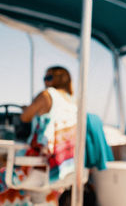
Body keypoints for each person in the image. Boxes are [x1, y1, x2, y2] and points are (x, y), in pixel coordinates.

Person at [0, 66, 77, 204]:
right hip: (61, 166)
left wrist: (28, 108)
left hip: (38, 165)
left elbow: (24, 117)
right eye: (45, 78)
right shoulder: (72, 101)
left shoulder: (48, 95)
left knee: (4, 166)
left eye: (49, 78)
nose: (45, 82)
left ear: (60, 79)